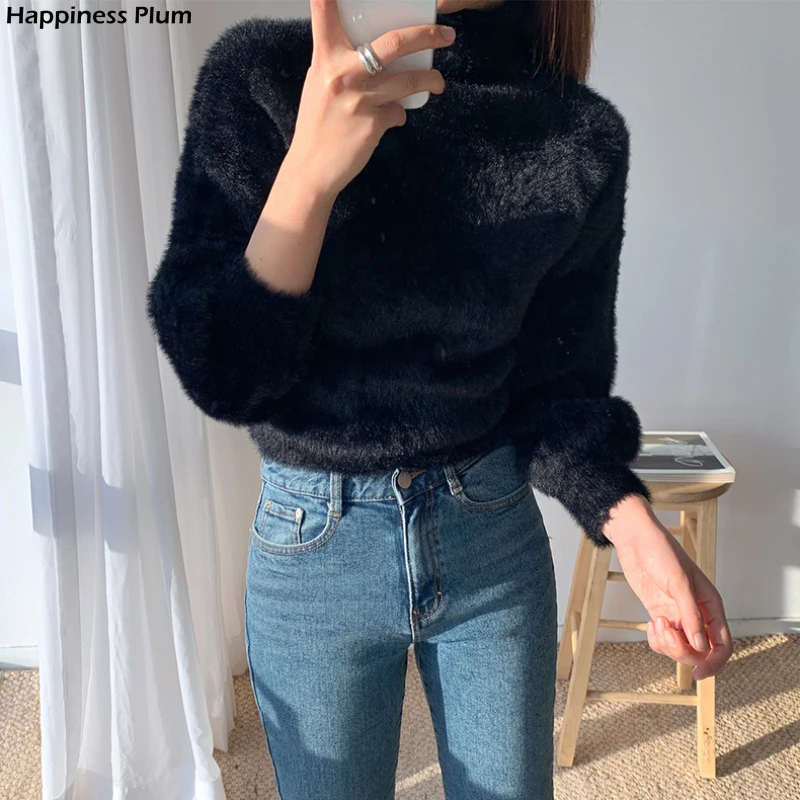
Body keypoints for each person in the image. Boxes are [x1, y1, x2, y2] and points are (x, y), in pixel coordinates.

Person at [146, 0, 733, 797]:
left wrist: (631, 526)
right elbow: (225, 373)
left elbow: (556, 385)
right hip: (316, 546)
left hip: (490, 538)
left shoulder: (576, 134)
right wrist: (309, 172)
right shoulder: (261, 79)